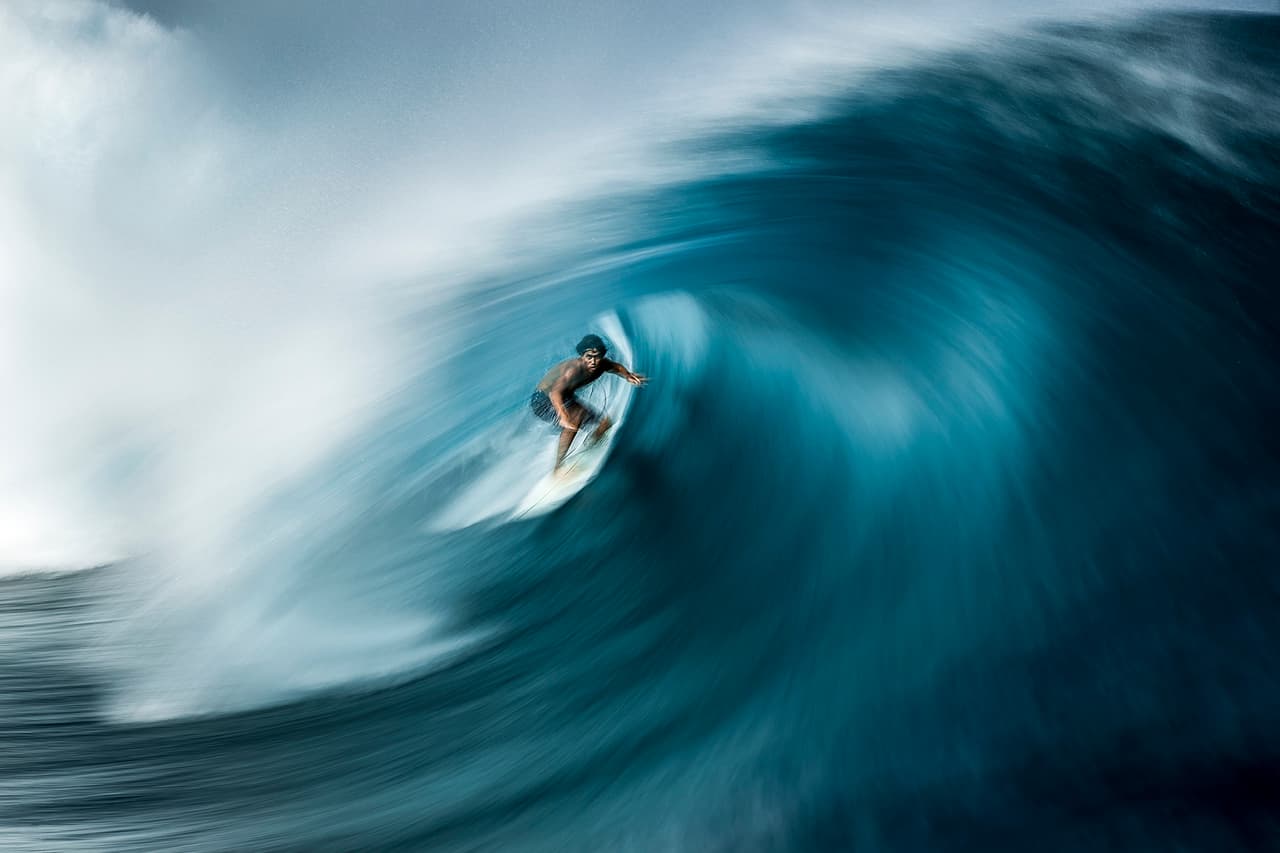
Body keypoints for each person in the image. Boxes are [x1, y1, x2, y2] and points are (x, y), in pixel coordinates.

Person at [530, 334, 646, 472]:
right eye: (589, 357)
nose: (593, 361)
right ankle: (558, 467)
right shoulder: (574, 369)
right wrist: (563, 415)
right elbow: (555, 392)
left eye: (597, 357)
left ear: (602, 355)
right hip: (542, 400)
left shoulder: (602, 364)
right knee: (574, 420)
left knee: (605, 424)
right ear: (582, 356)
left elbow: (616, 367)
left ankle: (589, 449)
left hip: (566, 397)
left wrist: (628, 375)